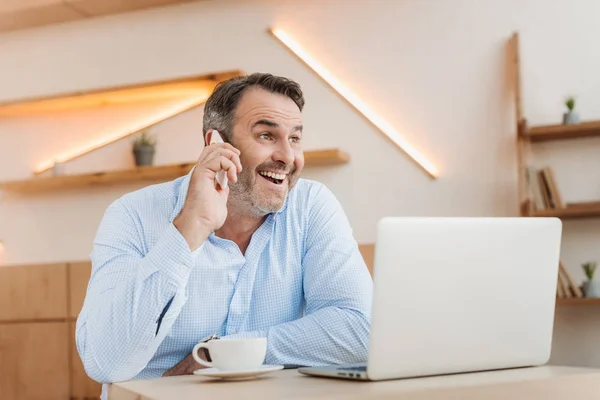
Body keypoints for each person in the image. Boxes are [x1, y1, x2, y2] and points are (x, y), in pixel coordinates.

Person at [75, 72, 373, 399]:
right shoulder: (133, 215)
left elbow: (361, 330)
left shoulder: (311, 207)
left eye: (296, 139)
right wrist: (190, 228)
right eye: (266, 135)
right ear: (216, 144)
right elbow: (104, 361)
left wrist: (222, 355)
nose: (288, 157)